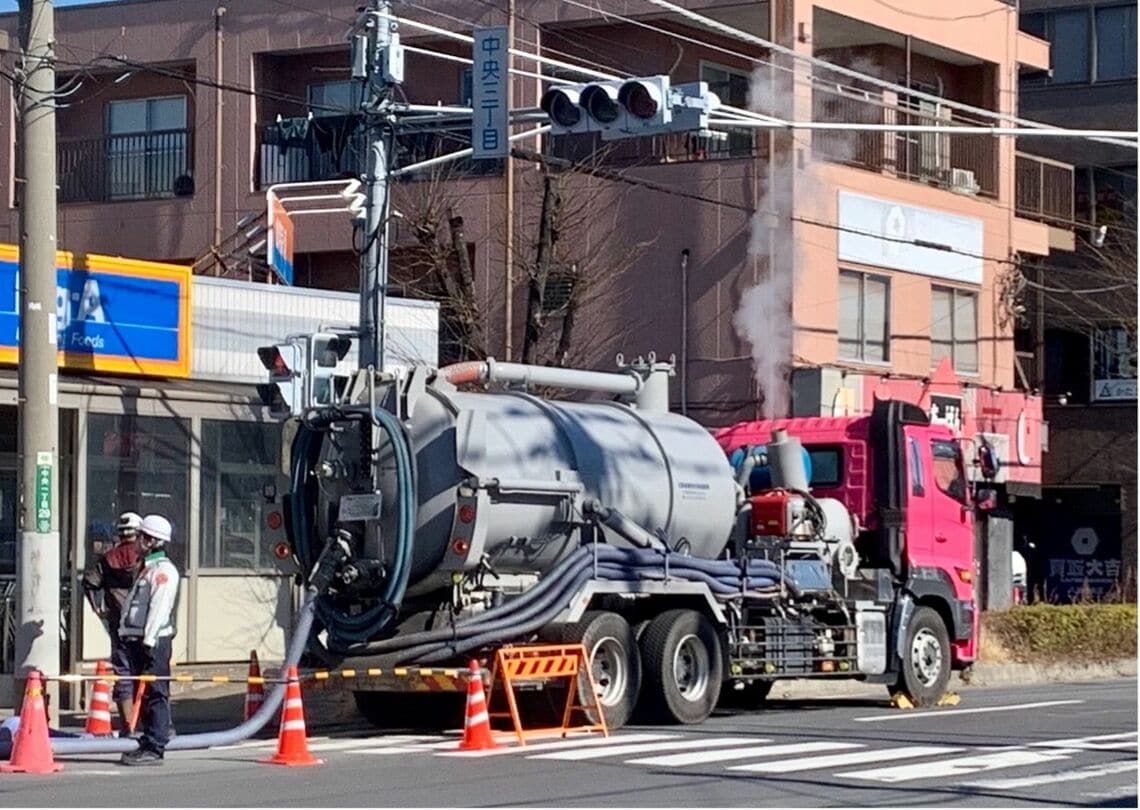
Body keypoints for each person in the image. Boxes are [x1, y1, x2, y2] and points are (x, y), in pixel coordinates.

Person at [118, 514, 180, 766]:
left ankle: (155, 746)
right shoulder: (148, 568)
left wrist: (149, 641)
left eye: (141, 536)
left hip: (152, 642)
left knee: (155, 693)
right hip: (139, 639)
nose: (136, 541)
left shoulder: (163, 571)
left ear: (153, 541)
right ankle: (149, 738)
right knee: (143, 694)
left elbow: (158, 608)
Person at [81, 511, 143, 733]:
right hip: (145, 624)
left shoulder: (107, 559)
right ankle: (150, 721)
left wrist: (99, 609)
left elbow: (89, 583)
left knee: (123, 671)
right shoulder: (146, 557)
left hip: (118, 623)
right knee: (148, 670)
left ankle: (129, 724)